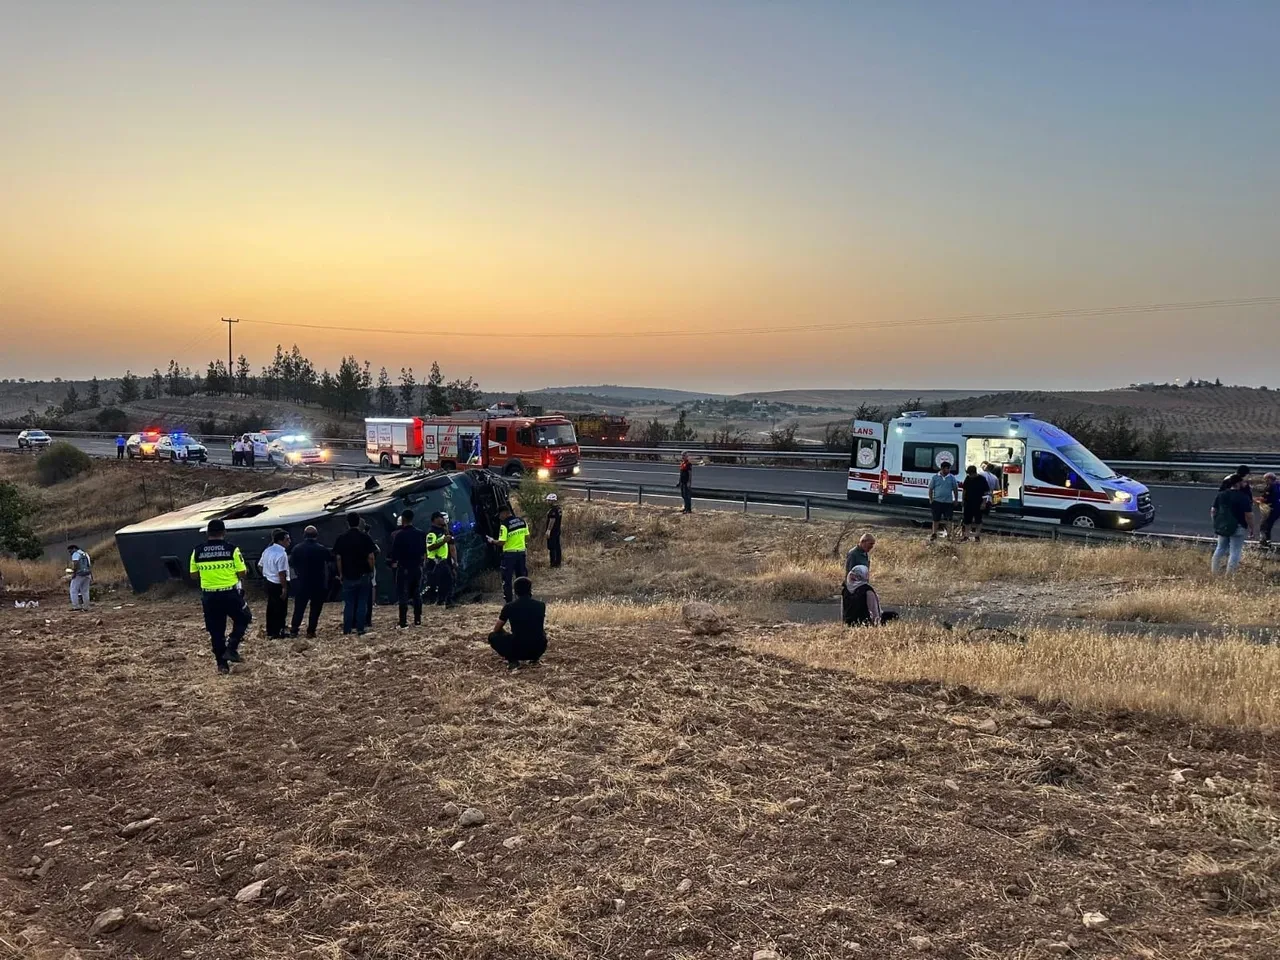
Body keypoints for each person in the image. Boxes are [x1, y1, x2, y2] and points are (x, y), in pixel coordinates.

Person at [190, 518, 252, 674]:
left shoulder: (197, 551)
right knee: (244, 617)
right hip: (230, 594)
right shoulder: (232, 549)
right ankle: (231, 647)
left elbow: (193, 575)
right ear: (224, 532)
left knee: (216, 631)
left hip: (209, 596)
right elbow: (242, 572)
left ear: (207, 533)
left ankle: (222, 665)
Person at [488, 576, 547, 671]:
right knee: (541, 631)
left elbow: (496, 629)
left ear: (515, 591)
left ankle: (512, 661)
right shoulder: (541, 605)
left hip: (518, 650)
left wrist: (505, 634)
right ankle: (535, 659)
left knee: (492, 636)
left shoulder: (509, 607)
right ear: (530, 590)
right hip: (538, 648)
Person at [333, 513, 376, 635]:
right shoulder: (365, 538)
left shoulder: (341, 538)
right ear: (359, 522)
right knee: (362, 602)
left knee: (349, 604)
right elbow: (371, 556)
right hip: (363, 574)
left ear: (347, 523)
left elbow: (339, 558)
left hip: (348, 575)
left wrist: (341, 573)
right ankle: (360, 628)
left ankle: (347, 629)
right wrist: (371, 570)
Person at [289, 525, 331, 637]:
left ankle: (294, 629)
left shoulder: (297, 549)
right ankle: (311, 631)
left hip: (302, 582)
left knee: (299, 607)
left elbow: (291, 563)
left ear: (304, 535)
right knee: (315, 608)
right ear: (316, 536)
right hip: (318, 583)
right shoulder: (321, 549)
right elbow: (330, 560)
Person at [389, 509, 427, 627]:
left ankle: (403, 621)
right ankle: (417, 619)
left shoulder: (399, 535)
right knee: (416, 593)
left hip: (404, 567)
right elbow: (424, 551)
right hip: (417, 567)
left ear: (403, 519)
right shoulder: (421, 533)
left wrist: (393, 562)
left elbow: (394, 554)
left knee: (403, 595)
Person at [1211, 475, 1255, 574]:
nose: (1245, 484)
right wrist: (1252, 528)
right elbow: (1249, 515)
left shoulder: (1221, 494)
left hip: (1223, 525)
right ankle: (1230, 574)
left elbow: (1213, 510)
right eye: (1243, 482)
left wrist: (1216, 523)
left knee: (1220, 548)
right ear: (1238, 483)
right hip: (1238, 526)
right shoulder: (1243, 497)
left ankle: (1214, 572)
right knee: (1235, 551)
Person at [487, 505, 529, 603]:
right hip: (521, 554)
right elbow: (527, 536)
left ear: (505, 513)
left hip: (509, 555)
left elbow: (502, 542)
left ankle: (509, 601)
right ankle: (525, 598)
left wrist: (492, 541)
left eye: (500, 515)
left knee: (507, 579)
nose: (499, 517)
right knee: (522, 578)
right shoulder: (522, 521)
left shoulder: (504, 525)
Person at [257, 528, 291, 638]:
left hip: (268, 582)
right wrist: (284, 588)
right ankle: (279, 631)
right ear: (280, 541)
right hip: (278, 584)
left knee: (271, 607)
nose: (289, 541)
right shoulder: (282, 554)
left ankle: (270, 631)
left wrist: (267, 574)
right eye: (287, 539)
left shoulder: (267, 550)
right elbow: (282, 573)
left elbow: (260, 565)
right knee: (281, 608)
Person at [426, 511, 455, 607]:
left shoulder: (443, 530)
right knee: (448, 580)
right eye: (441, 518)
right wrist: (443, 541)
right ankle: (448, 601)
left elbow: (452, 546)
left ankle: (442, 600)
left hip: (444, 560)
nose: (443, 519)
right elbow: (430, 547)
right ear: (435, 519)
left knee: (444, 581)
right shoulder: (431, 533)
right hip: (436, 561)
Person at [928, 460, 959, 541]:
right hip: (937, 501)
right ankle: (934, 533)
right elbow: (931, 489)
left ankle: (949, 535)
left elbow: (955, 489)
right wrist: (931, 499)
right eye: (946, 469)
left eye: (948, 469)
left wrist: (956, 499)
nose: (948, 470)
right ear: (942, 468)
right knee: (936, 519)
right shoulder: (935, 477)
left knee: (949, 519)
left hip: (948, 502)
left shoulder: (952, 478)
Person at [961, 465, 990, 541]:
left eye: (971, 474)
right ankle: (966, 535)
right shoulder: (967, 479)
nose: (970, 476)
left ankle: (977, 535)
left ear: (974, 473)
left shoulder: (982, 479)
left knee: (978, 520)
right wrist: (963, 500)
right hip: (968, 502)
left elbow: (986, 492)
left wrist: (984, 503)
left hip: (978, 502)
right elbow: (964, 490)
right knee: (967, 520)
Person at [67, 544, 92, 610]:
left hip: (79, 574)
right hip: (87, 574)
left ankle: (76, 606)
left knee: (73, 590)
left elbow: (76, 564)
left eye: (70, 551)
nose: (70, 553)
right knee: (85, 591)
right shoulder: (85, 554)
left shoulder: (75, 554)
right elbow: (89, 565)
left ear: (74, 549)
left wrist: (74, 573)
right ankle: (86, 606)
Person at [1260, 472, 1280, 548]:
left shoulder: (1270, 487)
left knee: (1265, 525)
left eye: (1265, 479)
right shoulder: (1278, 485)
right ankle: (1266, 541)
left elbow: (1264, 499)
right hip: (1278, 507)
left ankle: (1266, 542)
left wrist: (1256, 499)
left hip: (1271, 508)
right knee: (1268, 525)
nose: (1264, 481)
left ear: (1269, 479)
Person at [544, 493, 563, 568]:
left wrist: (548, 530)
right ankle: (558, 562)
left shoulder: (553, 510)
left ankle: (553, 563)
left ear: (552, 501)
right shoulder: (559, 509)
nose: (548, 502)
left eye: (549, 500)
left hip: (553, 531)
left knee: (552, 547)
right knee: (558, 546)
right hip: (558, 530)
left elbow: (552, 520)